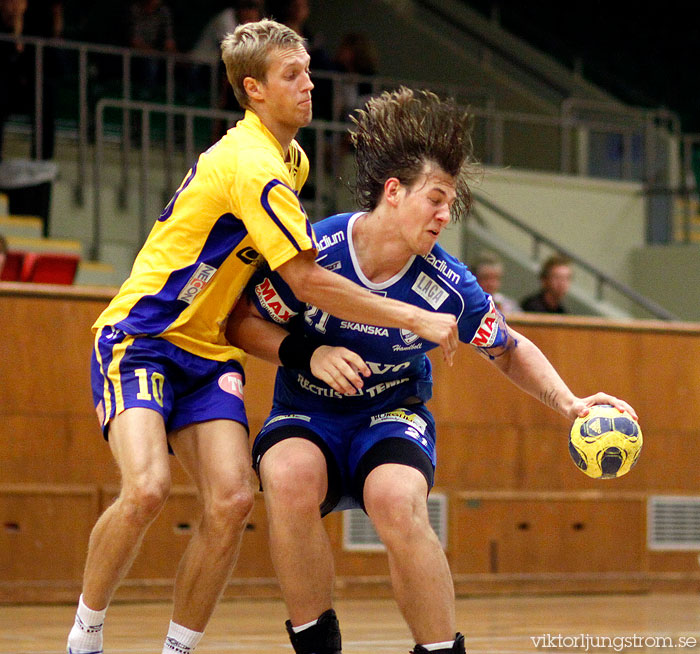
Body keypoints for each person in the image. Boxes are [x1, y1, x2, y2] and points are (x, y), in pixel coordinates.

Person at [65, 21, 458, 654]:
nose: (309, 84)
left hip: (209, 346)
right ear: (253, 90)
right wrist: (411, 316)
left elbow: (272, 278)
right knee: (147, 489)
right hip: (143, 335)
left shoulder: (293, 160)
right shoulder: (252, 166)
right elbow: (305, 279)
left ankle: (176, 649)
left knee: (232, 500)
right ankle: (85, 634)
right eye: (291, 76)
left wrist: (307, 344)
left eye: (307, 69)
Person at [225, 87, 637, 654]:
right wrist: (309, 353)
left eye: (451, 204)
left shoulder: (447, 283)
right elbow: (241, 324)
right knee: (290, 479)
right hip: (306, 407)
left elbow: (509, 347)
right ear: (393, 192)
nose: (446, 215)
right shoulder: (316, 251)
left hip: (391, 413)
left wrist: (569, 403)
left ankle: (441, 650)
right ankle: (317, 645)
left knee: (399, 501)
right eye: (436, 199)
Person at [471, 250, 520, 314]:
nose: (491, 284)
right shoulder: (463, 303)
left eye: (496, 278)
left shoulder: (508, 305)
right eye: (486, 278)